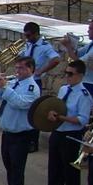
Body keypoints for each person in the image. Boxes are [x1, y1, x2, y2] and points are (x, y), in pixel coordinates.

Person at [36, 60, 93, 185]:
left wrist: (60, 117)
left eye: (70, 74)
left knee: (71, 175)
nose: (67, 77)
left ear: (80, 76)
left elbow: (82, 120)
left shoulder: (84, 96)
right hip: (58, 133)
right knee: (54, 170)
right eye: (66, 73)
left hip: (71, 136)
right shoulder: (63, 89)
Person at [0, 56, 39, 185]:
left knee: (17, 166)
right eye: (16, 68)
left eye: (22, 68)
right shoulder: (14, 82)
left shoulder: (32, 87)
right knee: (8, 163)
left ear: (31, 69)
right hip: (7, 131)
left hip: (21, 134)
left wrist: (6, 88)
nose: (17, 71)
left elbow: (21, 103)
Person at [20, 21, 61, 153]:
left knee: (34, 111)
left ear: (36, 34)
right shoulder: (28, 44)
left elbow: (56, 59)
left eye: (29, 35)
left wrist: (41, 70)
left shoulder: (45, 46)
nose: (27, 38)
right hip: (24, 80)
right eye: (26, 35)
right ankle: (25, 139)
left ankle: (33, 142)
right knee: (25, 110)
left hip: (35, 81)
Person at [66, 18, 93, 95]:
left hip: (90, 83)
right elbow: (76, 53)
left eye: (90, 29)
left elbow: (78, 63)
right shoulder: (91, 44)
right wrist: (72, 43)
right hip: (84, 81)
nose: (88, 31)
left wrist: (68, 46)